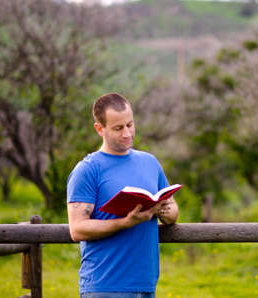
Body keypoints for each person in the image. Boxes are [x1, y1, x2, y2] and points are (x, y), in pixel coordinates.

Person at [67, 92, 179, 298]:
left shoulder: (150, 163)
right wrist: (125, 222)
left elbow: (172, 212)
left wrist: (163, 209)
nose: (127, 133)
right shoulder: (87, 170)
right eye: (118, 128)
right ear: (99, 129)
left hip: (145, 285)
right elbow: (77, 229)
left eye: (130, 125)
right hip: (104, 286)